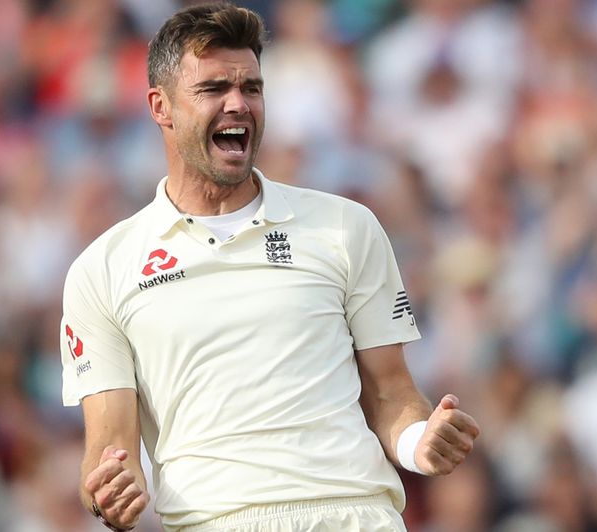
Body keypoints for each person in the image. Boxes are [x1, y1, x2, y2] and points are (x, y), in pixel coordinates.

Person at [59, 3, 480, 531]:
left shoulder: (346, 227)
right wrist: (110, 493)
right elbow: (108, 448)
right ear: (160, 107)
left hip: (353, 515)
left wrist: (422, 443)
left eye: (251, 88)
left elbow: (392, 393)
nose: (238, 104)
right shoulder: (103, 269)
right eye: (213, 89)